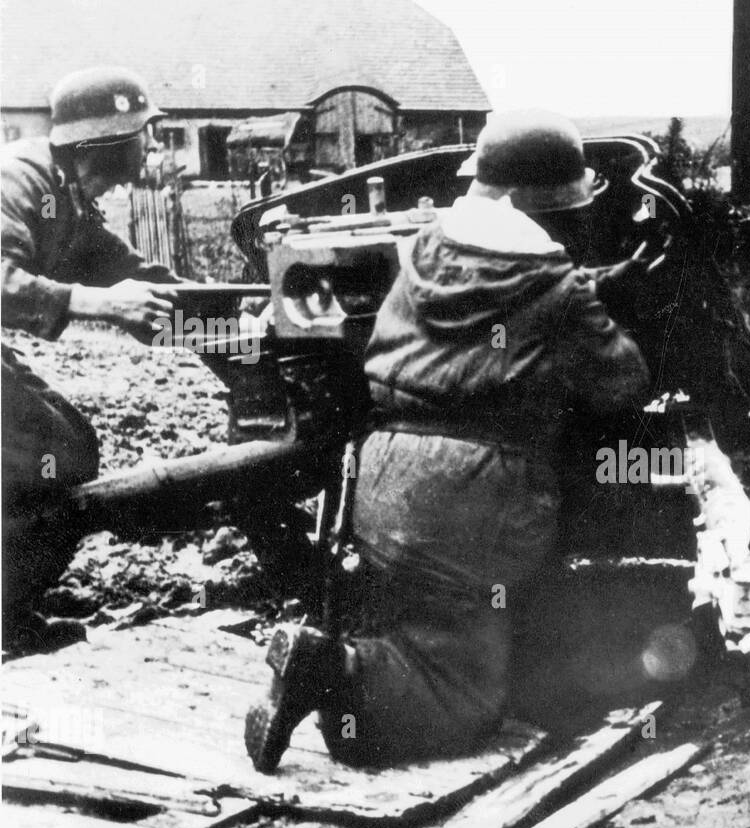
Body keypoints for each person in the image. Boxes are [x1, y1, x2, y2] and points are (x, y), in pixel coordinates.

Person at [245, 109, 651, 772]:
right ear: (540, 204)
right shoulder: (553, 284)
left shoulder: (424, 252)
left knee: (414, 635)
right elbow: (622, 382)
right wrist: (604, 304)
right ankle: (332, 666)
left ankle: (335, 661)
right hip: (474, 498)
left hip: (378, 482)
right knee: (461, 701)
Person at [2, 66, 181, 648]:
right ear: (103, 142)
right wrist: (99, 304)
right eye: (142, 133)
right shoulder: (21, 179)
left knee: (67, 450)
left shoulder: (69, 195)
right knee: (53, 453)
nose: (152, 145)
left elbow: (124, 273)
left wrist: (232, 316)